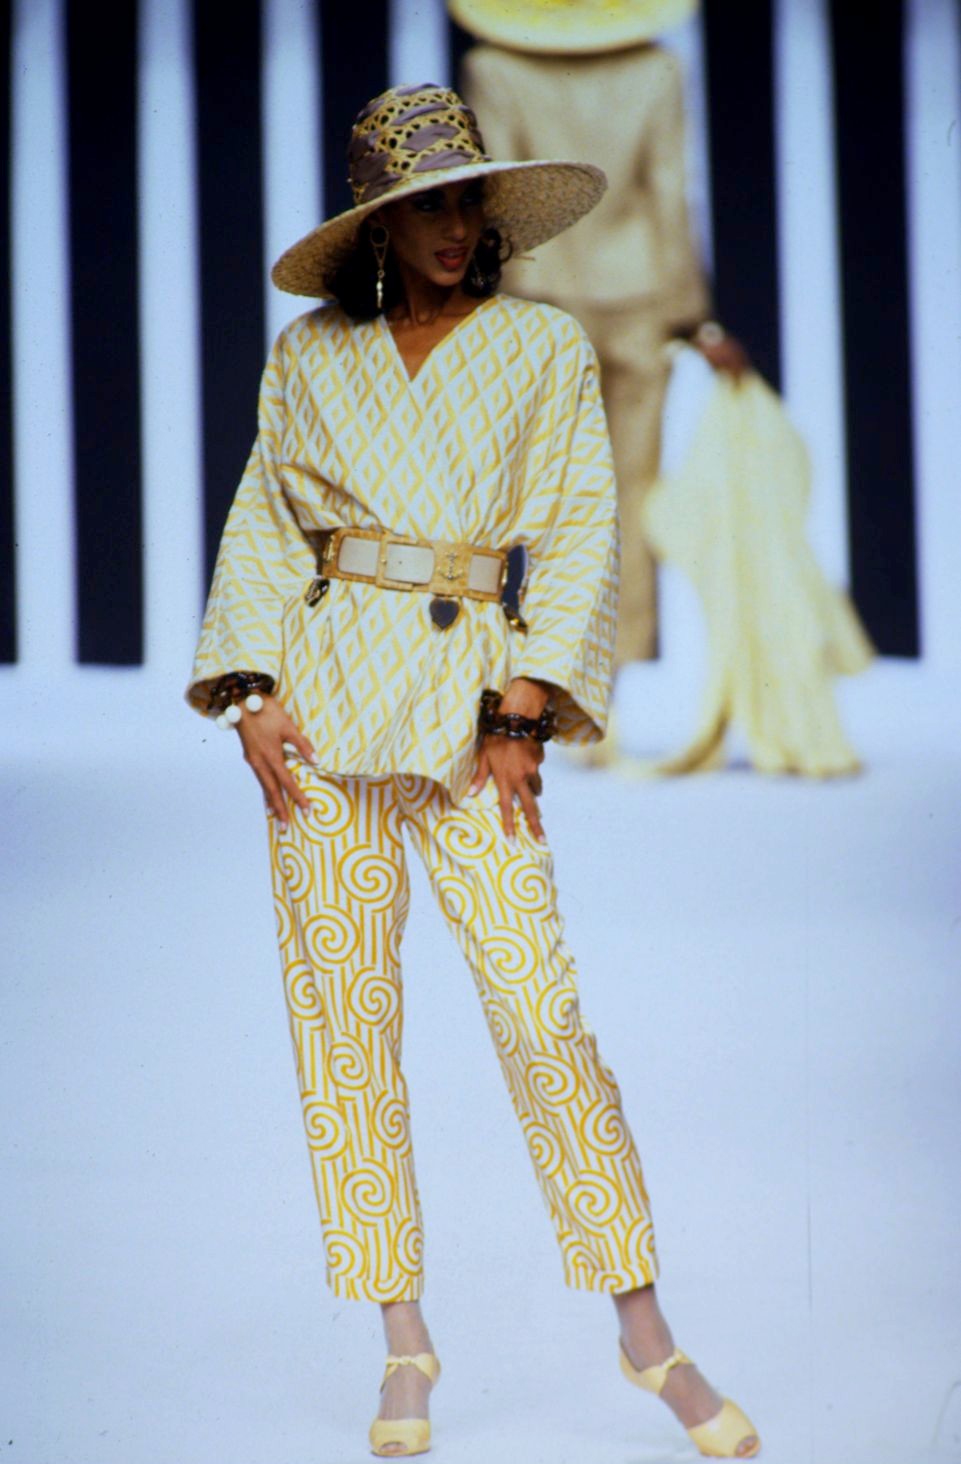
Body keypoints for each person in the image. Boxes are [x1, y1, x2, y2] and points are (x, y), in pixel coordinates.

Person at [185, 82, 760, 1460]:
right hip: (321, 714)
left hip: (469, 710)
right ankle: (403, 1340)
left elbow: (578, 524)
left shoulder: (539, 346)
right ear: (376, 226)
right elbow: (263, 521)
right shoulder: (310, 353)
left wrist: (523, 710)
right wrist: (251, 693)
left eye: (466, 202)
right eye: (423, 206)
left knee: (541, 1016)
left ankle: (643, 1329)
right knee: (342, 1028)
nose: (452, 227)